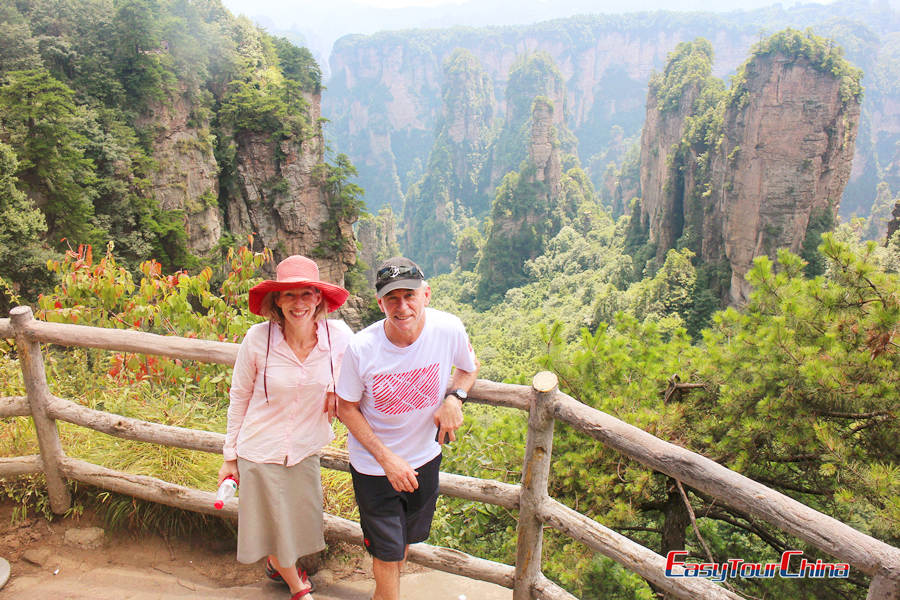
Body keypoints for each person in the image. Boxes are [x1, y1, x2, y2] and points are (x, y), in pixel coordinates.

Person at [336, 256, 479, 600]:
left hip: (425, 459)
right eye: (392, 298)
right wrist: (387, 461)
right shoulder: (362, 349)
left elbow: (468, 367)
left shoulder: (448, 329)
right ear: (380, 302)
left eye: (409, 296)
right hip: (375, 469)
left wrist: (455, 398)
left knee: (403, 545)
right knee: (386, 555)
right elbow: (345, 408)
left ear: (426, 294)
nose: (402, 307)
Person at [219, 255, 353, 600]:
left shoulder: (337, 337)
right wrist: (229, 456)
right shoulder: (257, 339)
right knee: (276, 526)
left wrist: (338, 388)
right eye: (289, 295)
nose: (299, 304)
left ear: (319, 298)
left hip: (306, 447)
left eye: (306, 294)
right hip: (260, 449)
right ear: (277, 300)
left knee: (294, 523)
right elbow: (240, 396)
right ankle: (298, 588)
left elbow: (362, 375)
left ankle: (277, 564)